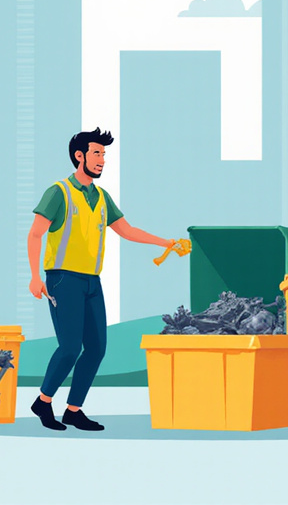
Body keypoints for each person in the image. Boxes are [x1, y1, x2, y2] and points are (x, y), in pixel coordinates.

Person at [26, 128, 182, 432]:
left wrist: (166, 243)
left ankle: (73, 409)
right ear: (79, 156)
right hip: (62, 279)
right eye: (97, 153)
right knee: (70, 347)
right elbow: (35, 234)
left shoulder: (100, 196)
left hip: (91, 282)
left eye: (104, 155)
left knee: (96, 349)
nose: (102, 160)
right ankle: (43, 402)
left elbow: (126, 230)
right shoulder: (59, 192)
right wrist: (35, 277)